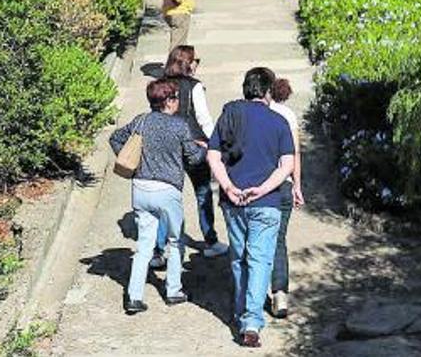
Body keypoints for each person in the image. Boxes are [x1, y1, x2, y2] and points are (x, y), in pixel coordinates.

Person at [207, 68, 295, 348]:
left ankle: (241, 312)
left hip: (233, 202)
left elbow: (213, 156)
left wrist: (229, 187)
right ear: (268, 91)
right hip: (266, 202)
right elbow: (287, 165)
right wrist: (265, 188)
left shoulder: (229, 116)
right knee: (259, 260)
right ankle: (251, 322)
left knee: (239, 257)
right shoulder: (278, 121)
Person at [109, 78, 207, 315]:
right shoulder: (179, 126)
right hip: (167, 190)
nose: (177, 102)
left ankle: (134, 296)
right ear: (169, 101)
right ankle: (173, 290)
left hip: (141, 188)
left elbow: (115, 138)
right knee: (175, 240)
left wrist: (133, 162)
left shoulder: (140, 121)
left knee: (144, 244)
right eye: (175, 97)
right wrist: (203, 148)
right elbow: (193, 159)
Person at [163, 45, 229, 258]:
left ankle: (159, 248)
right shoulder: (195, 87)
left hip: (169, 147)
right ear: (187, 64)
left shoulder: (162, 85)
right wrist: (216, 144)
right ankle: (211, 241)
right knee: (202, 193)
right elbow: (204, 119)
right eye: (195, 60)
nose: (197, 63)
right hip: (194, 146)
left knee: (169, 196)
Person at [267, 78, 304, 319]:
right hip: (283, 184)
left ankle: (255, 292)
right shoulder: (289, 115)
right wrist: (298, 185)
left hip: (259, 184)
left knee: (257, 241)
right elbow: (295, 153)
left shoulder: (254, 114)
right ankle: (280, 293)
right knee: (279, 240)